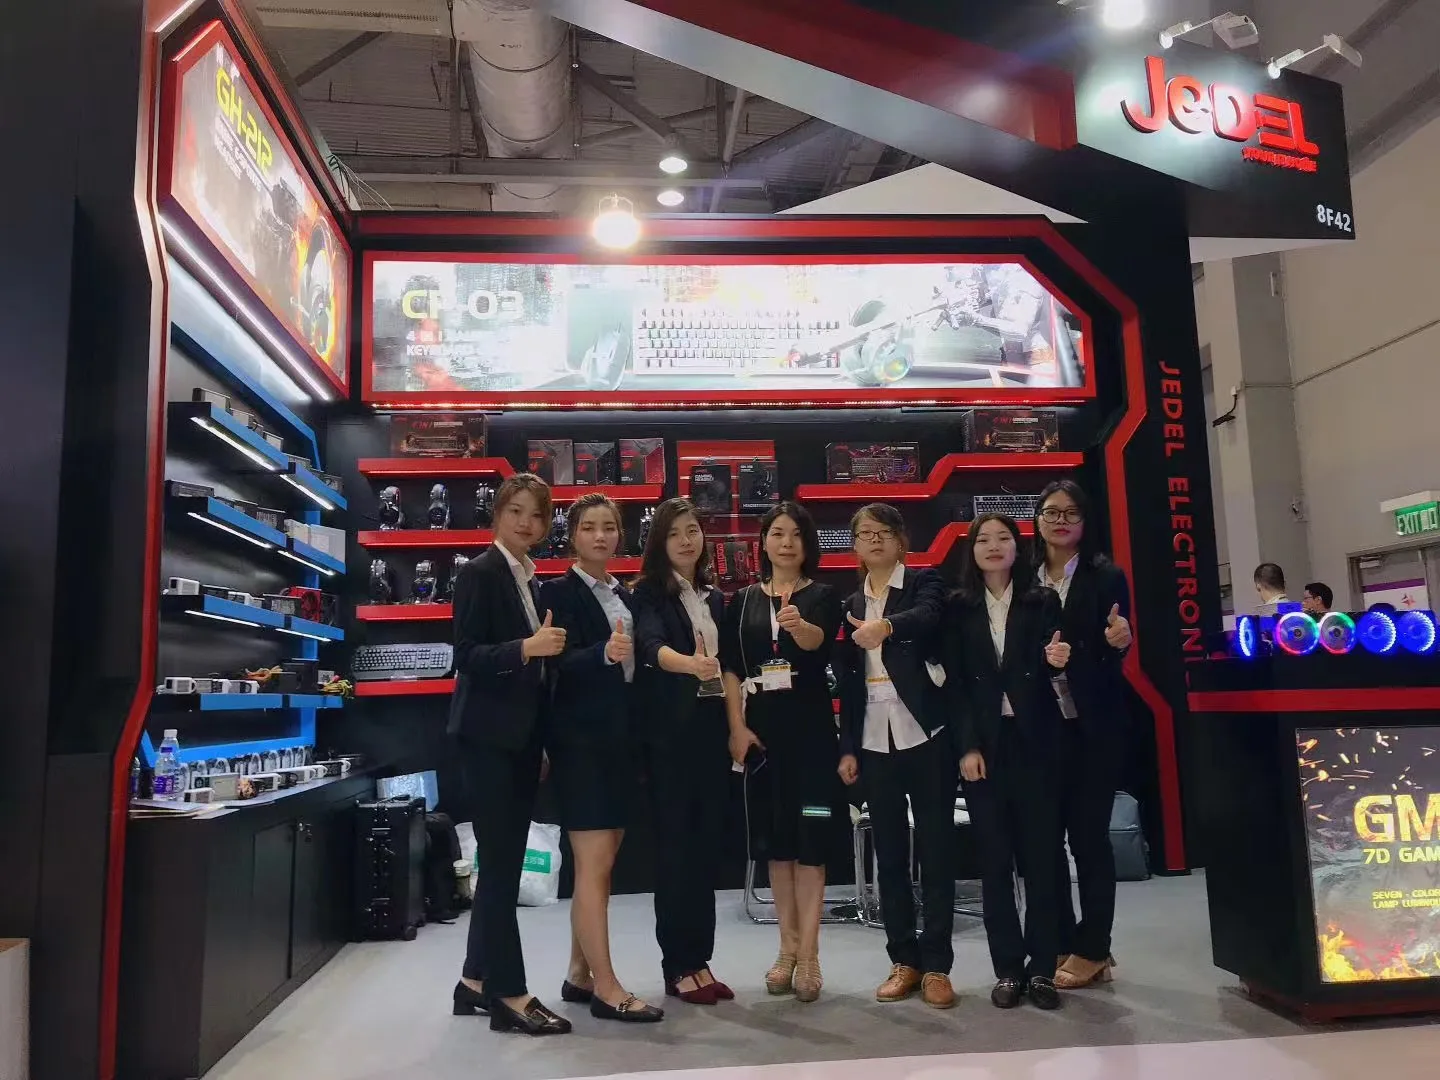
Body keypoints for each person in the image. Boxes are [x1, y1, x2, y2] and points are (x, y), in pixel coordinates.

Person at [448, 473, 571, 1036]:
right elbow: (466, 655)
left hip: (519, 740)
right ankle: (509, 993)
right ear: (497, 513)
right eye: (516, 510)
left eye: (537, 515)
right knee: (499, 869)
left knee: (502, 864)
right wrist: (528, 647)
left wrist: (538, 740)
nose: (526, 522)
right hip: (487, 739)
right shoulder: (480, 572)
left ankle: (473, 981)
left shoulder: (530, 577)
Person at [539, 493, 663, 1024]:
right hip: (580, 744)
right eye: (589, 526)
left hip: (621, 741)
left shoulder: (624, 593)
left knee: (604, 863)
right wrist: (601, 654)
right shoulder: (556, 592)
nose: (600, 535)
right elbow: (553, 663)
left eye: (609, 526)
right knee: (594, 865)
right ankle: (607, 988)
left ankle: (578, 971)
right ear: (573, 535)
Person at [943, 513, 1070, 1011]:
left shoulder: (1042, 600)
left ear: (1018, 548)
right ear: (972, 551)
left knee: (1041, 860)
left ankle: (1043, 969)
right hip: (985, 747)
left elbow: (1055, 660)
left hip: (1036, 741)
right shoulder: (958, 607)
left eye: (1003, 538)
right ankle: (1008, 970)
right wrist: (967, 747)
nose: (994, 546)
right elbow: (955, 685)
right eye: (984, 539)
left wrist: (1056, 660)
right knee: (994, 863)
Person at [833, 503, 955, 1009]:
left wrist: (884, 627)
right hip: (873, 739)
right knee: (888, 855)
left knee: (937, 850)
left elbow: (929, 617)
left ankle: (937, 965)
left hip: (926, 734)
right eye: (865, 533)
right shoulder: (849, 602)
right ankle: (903, 959)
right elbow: (847, 681)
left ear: (901, 540)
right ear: (855, 546)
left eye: (884, 531)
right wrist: (847, 747)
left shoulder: (925, 583)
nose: (875, 540)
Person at [721, 501, 843, 1002]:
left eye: (795, 534)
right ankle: (786, 949)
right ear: (764, 542)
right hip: (762, 739)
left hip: (813, 739)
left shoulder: (824, 596)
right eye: (777, 533)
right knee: (777, 843)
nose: (786, 542)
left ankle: (810, 954)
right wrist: (736, 727)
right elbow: (731, 668)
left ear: (807, 544)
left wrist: (797, 627)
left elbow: (818, 643)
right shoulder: (742, 601)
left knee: (811, 839)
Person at [631, 497, 734, 1006]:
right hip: (670, 737)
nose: (686, 541)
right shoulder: (648, 593)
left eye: (692, 530)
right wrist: (690, 665)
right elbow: (651, 649)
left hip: (712, 731)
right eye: (674, 534)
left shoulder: (713, 597)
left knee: (705, 848)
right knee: (675, 851)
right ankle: (677, 965)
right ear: (660, 543)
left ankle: (701, 959)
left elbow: (730, 663)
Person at [1031, 480, 1133, 991]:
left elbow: (1117, 639)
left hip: (1092, 726)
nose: (1060, 521)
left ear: (1085, 521)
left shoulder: (1105, 576)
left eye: (1071, 512)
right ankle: (1064, 940)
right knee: (1046, 843)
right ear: (1037, 519)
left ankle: (1094, 947)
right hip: (1040, 728)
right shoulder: (1025, 578)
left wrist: (1121, 640)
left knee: (1089, 840)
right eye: (1051, 512)